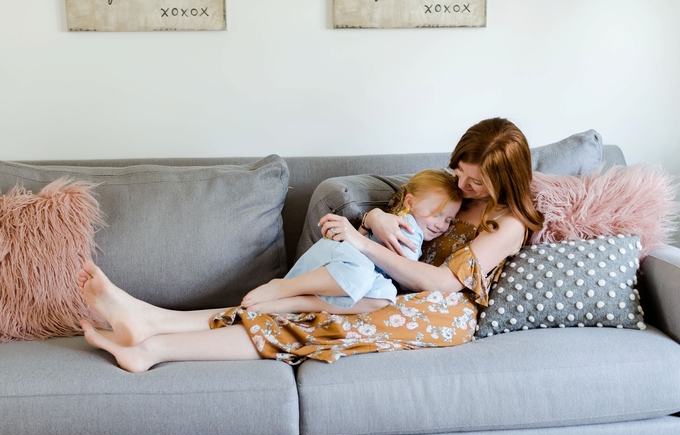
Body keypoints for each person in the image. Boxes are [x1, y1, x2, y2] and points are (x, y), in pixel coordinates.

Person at [78, 117, 545, 372]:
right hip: (398, 290)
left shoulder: (507, 225)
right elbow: (396, 199)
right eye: (459, 171)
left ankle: (155, 348)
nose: (462, 186)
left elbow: (445, 283)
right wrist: (378, 216)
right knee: (311, 304)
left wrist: (366, 248)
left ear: (505, 178)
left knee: (310, 323)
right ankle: (151, 319)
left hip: (442, 313)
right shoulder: (454, 193)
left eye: (476, 181)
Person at [240, 169, 462, 314]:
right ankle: (284, 287)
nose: (441, 225)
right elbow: (404, 269)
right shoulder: (408, 227)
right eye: (436, 214)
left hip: (350, 272)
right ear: (410, 202)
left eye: (449, 220)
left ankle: (297, 304)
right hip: (338, 257)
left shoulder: (411, 226)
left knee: (385, 295)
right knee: (361, 272)